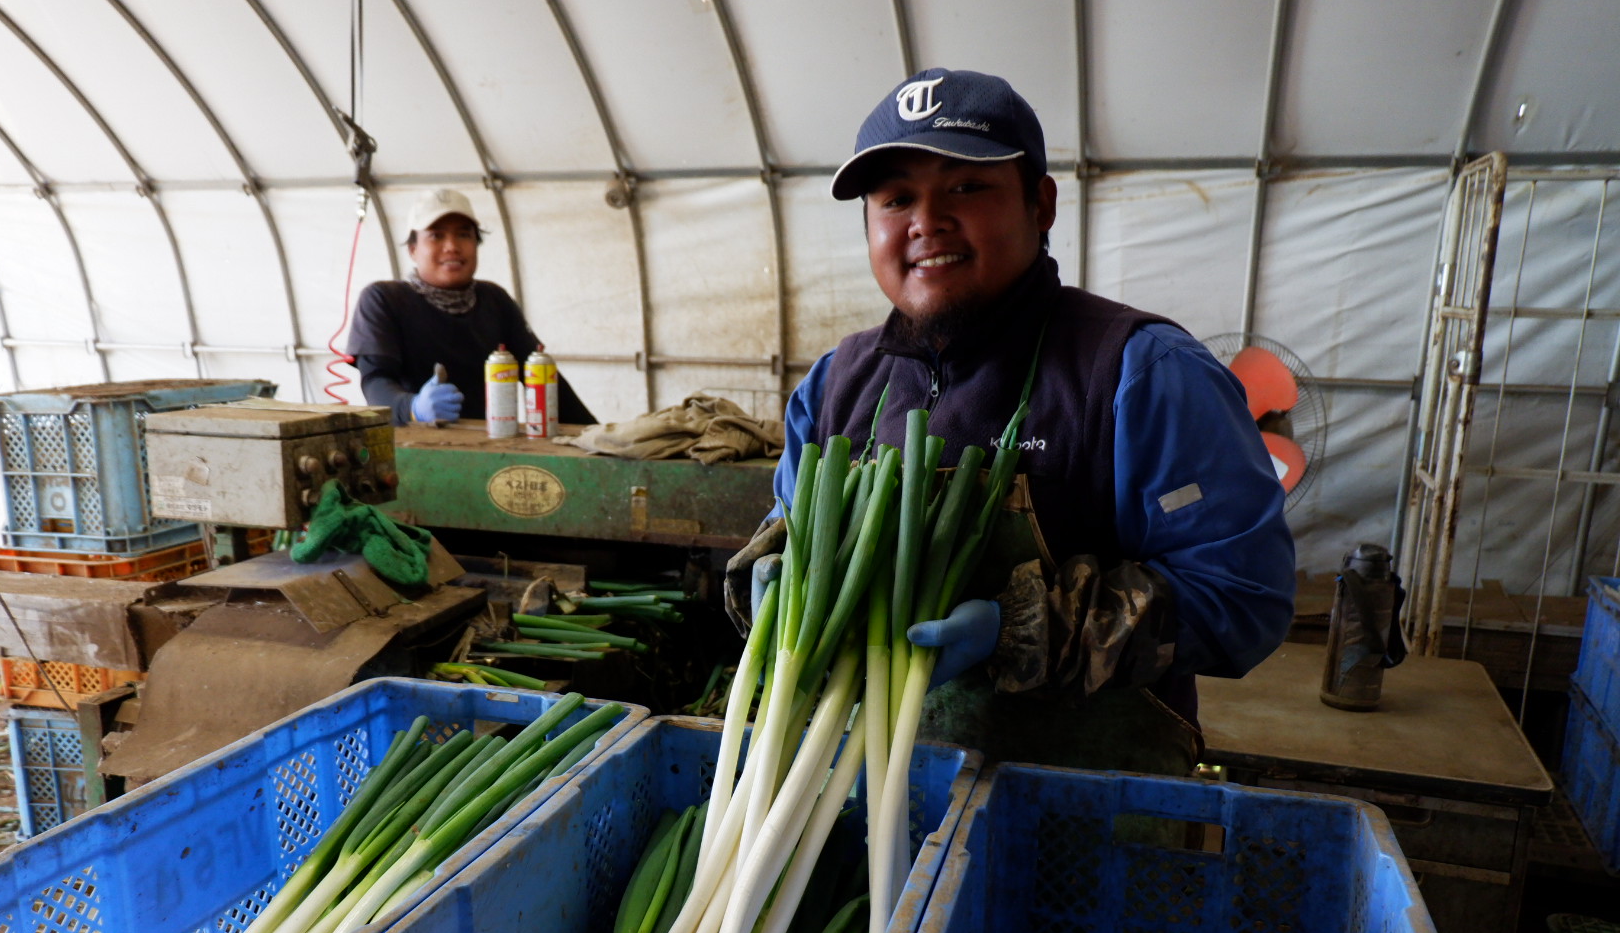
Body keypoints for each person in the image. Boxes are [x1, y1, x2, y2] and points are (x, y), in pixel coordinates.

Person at [730, 68, 1295, 776]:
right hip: (880, 804)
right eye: (895, 198)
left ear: (1041, 203)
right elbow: (781, 531)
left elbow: (1244, 598)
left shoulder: (1140, 373)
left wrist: (1024, 632)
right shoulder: (837, 385)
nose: (925, 221)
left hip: (1085, 822)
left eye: (965, 187)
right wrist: (775, 574)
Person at [347, 189, 595, 427]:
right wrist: (413, 407)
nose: (452, 246)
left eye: (464, 234)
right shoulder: (384, 299)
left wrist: (599, 435)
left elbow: (543, 379)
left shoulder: (494, 300)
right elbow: (375, 382)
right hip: (409, 449)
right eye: (436, 235)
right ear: (413, 249)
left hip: (482, 449)